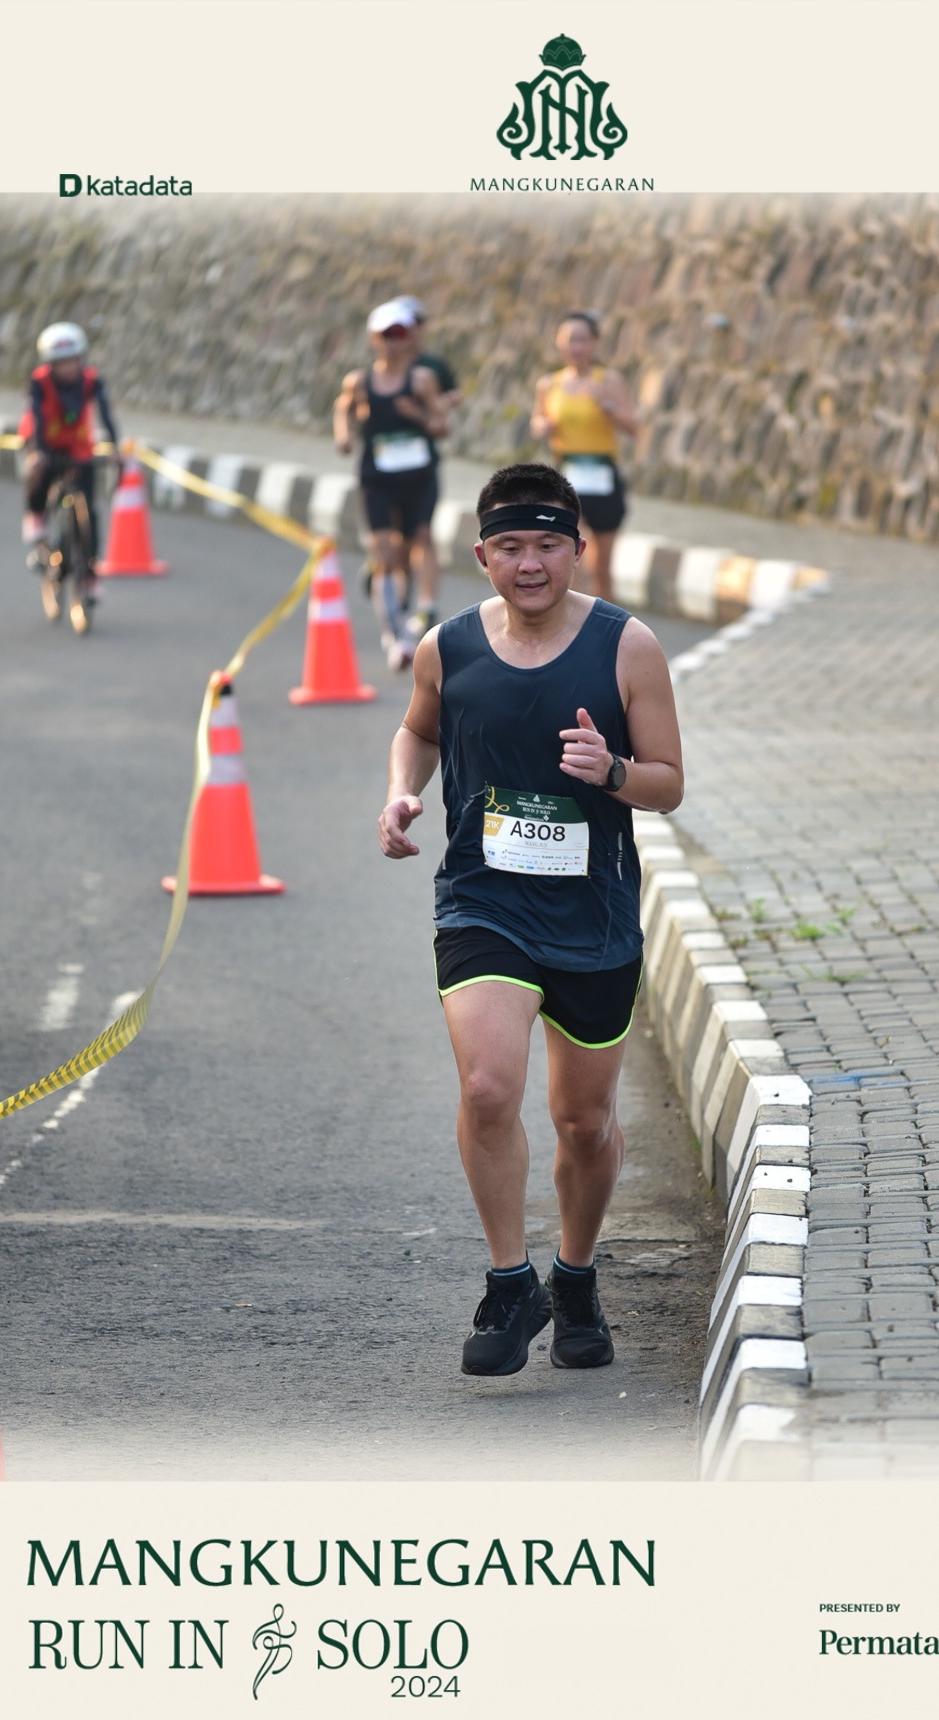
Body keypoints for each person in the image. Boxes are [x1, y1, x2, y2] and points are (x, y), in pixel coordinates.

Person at [378, 461, 684, 1377]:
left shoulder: (628, 648)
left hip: (592, 913)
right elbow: (418, 731)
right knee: (487, 1089)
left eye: (547, 544)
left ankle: (575, 1278)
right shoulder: (447, 648)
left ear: (577, 549)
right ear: (482, 557)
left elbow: (668, 783)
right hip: (484, 902)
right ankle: (510, 1283)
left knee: (583, 1122)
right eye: (509, 546)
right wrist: (401, 792)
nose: (530, 564)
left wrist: (614, 772)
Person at [333, 300, 446, 671]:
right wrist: (344, 435)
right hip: (377, 477)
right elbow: (343, 407)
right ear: (373, 339)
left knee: (410, 548)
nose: (393, 343)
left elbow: (442, 426)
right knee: (384, 550)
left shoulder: (422, 381)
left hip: (418, 478)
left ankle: (405, 609)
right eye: (386, 335)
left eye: (399, 334)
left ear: (410, 337)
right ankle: (396, 636)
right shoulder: (360, 381)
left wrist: (418, 416)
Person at [531, 310, 638, 602]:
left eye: (582, 339)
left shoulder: (609, 380)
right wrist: (542, 425)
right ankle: (571, 623)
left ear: (594, 343)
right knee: (568, 560)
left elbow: (633, 427)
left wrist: (610, 409)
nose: (575, 347)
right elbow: (537, 420)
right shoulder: (549, 384)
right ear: (559, 343)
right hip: (566, 476)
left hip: (602, 474)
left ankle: (606, 624)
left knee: (601, 566)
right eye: (569, 340)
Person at [21, 322, 120, 614]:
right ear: (50, 364)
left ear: (82, 359)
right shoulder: (39, 382)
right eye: (61, 363)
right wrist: (39, 451)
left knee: (90, 511)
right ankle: (36, 516)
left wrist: (114, 447)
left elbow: (106, 413)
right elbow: (37, 416)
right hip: (45, 441)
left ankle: (89, 575)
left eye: (72, 361)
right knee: (38, 471)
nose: (68, 368)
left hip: (78, 445)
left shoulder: (92, 380)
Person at [396, 295, 462, 638]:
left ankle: (427, 604)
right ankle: (395, 593)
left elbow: (450, 403)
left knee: (423, 532)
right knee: (397, 538)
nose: (410, 331)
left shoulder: (432, 367)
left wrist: (429, 409)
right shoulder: (380, 371)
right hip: (385, 469)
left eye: (416, 323)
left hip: (422, 464)